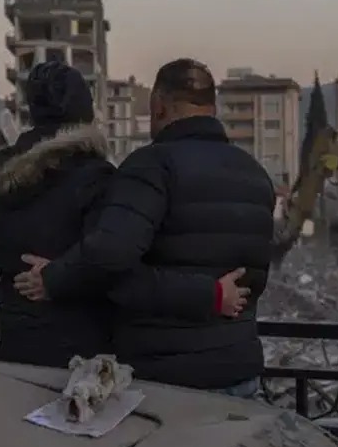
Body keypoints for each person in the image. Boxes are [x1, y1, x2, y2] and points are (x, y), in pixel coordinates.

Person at [15, 59, 276, 396]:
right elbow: (254, 281)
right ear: (212, 107)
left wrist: (54, 278)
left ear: (159, 105)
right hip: (240, 372)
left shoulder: (151, 166)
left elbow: (111, 256)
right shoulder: (256, 176)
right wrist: (211, 295)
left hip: (168, 381)